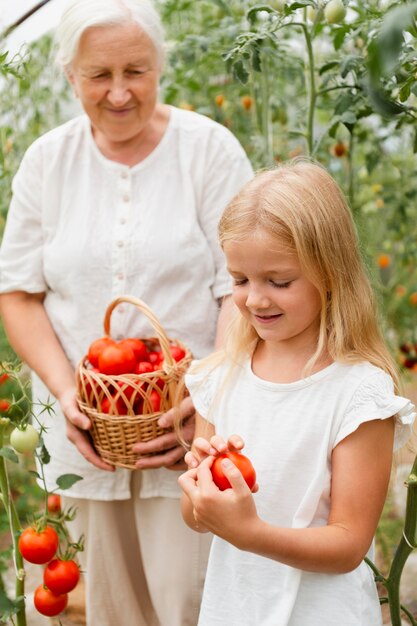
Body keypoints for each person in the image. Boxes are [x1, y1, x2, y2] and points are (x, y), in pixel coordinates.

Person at [0, 0, 253, 624]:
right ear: (70, 76)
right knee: (98, 605)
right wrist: (65, 394)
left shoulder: (208, 152)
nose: (118, 93)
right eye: (98, 75)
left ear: (160, 67)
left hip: (192, 432)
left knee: (191, 601)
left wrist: (205, 394)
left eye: (135, 71)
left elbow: (239, 288)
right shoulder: (47, 162)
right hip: (82, 433)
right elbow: (17, 292)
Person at [178, 160, 416, 626]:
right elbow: (194, 513)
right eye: (240, 280)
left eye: (279, 282)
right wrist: (203, 488)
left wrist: (250, 533)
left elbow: (348, 544)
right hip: (235, 611)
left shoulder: (358, 393)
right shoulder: (220, 377)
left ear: (330, 272)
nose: (255, 299)